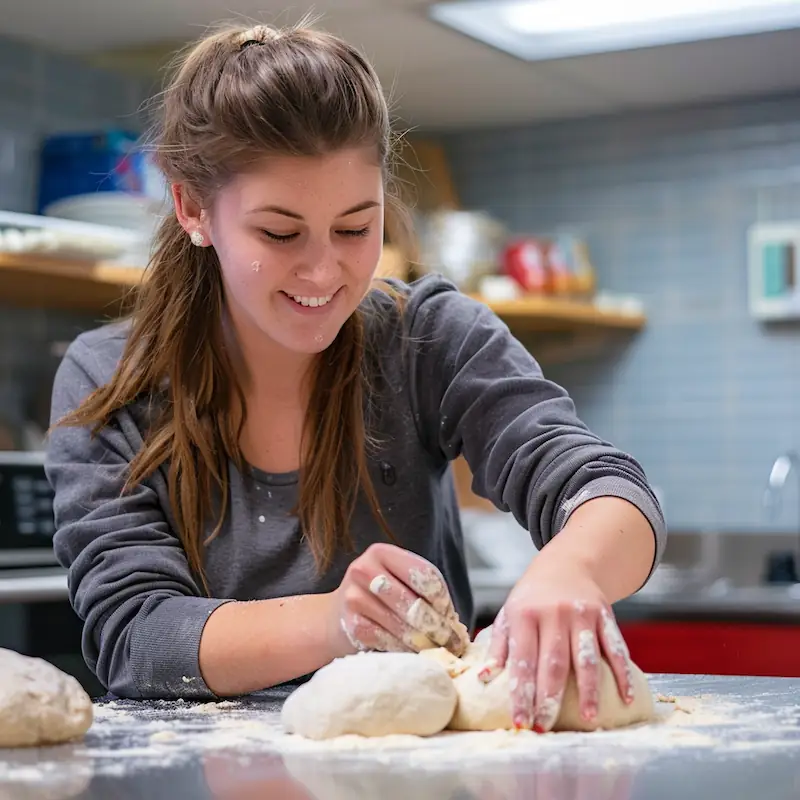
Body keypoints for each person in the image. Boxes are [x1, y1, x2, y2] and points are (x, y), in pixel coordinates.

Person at [45, 20, 666, 734]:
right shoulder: (109, 381)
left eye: (354, 228)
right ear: (192, 208)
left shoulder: (426, 339)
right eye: (279, 234)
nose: (323, 271)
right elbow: (137, 636)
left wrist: (572, 571)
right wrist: (341, 618)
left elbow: (606, 487)